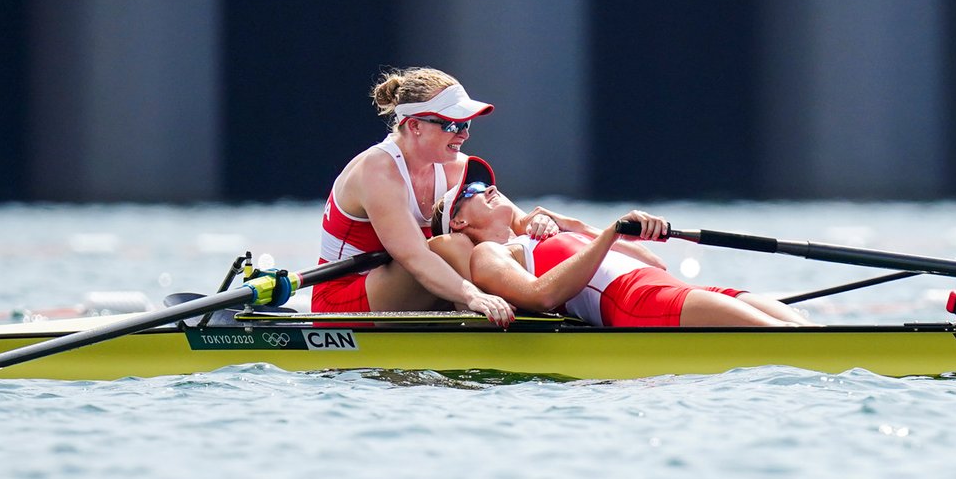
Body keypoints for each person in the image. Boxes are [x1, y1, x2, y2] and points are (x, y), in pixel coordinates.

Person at [429, 161, 816, 328]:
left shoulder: (542, 233)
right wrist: (610, 233)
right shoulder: (489, 254)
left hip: (675, 289)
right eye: (475, 190)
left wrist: (577, 225)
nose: (492, 187)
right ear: (459, 221)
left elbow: (654, 263)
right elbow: (541, 296)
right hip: (638, 303)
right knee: (796, 342)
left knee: (810, 329)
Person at [312, 67, 555, 325]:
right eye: (452, 124)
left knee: (485, 242)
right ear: (415, 125)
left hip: (414, 286)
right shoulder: (378, 170)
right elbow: (416, 257)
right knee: (455, 245)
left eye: (466, 123)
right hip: (340, 302)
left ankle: (532, 306)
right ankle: (486, 326)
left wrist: (542, 224)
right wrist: (473, 295)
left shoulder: (455, 166)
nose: (464, 134)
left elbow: (514, 222)